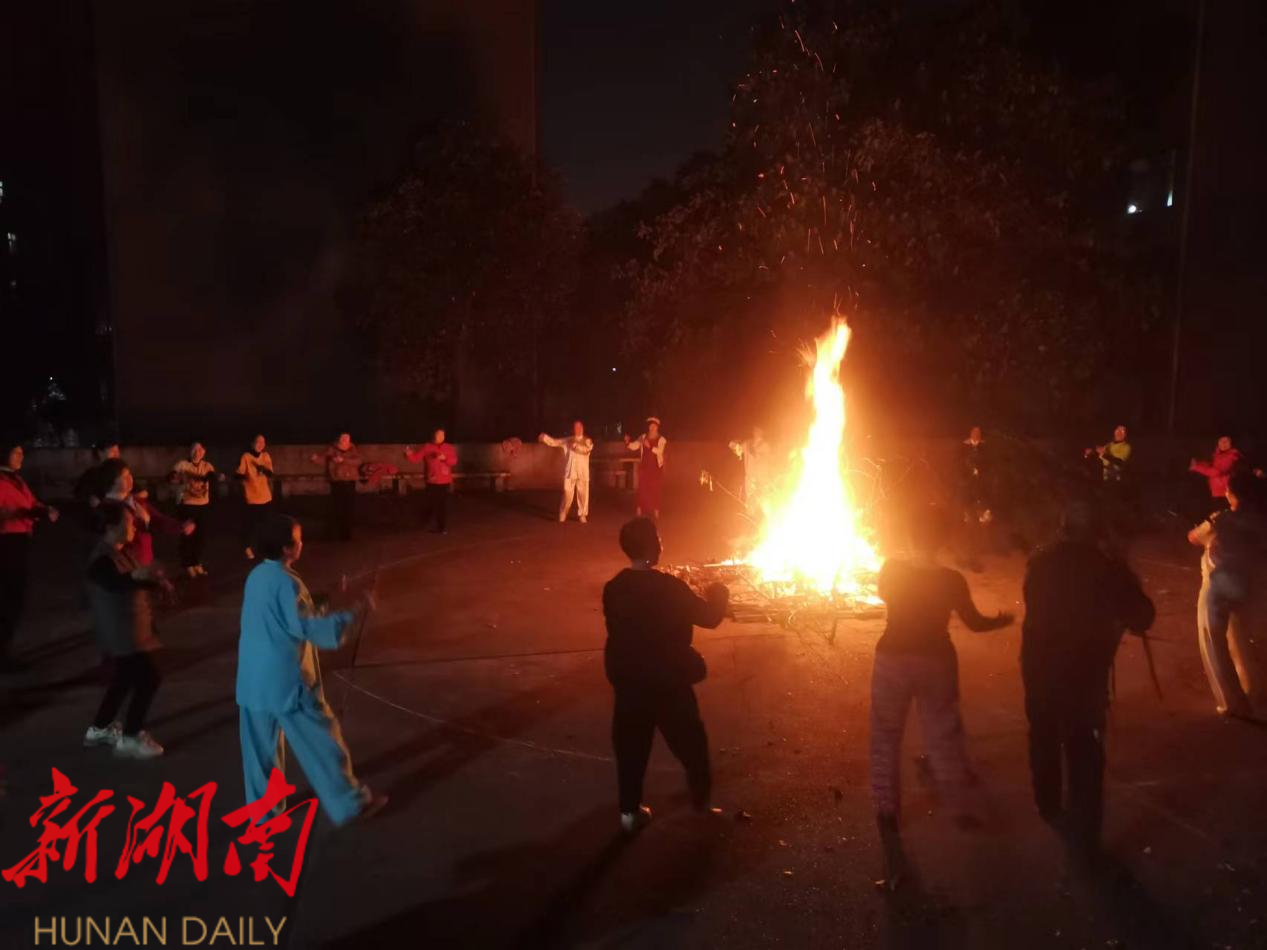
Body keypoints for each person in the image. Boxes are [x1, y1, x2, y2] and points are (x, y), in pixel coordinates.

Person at [869, 504, 1012, 889]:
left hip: (892, 659)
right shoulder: (950, 579)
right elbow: (974, 623)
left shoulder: (892, 569)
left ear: (910, 535)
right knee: (942, 733)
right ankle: (960, 806)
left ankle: (887, 812)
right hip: (936, 659)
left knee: (885, 739)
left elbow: (883, 594)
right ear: (942, 540)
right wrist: (1001, 620)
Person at [1022, 501, 1155, 864]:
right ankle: (1084, 836)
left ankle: (1048, 804)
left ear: (1063, 528)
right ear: (1098, 532)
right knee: (1084, 749)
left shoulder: (1040, 561)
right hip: (1083, 674)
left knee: (1043, 735)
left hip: (1038, 666)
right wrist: (1125, 570)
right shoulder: (1107, 568)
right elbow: (1143, 617)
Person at [236, 513, 386, 825]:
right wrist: (356, 611)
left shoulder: (258, 576)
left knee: (260, 751)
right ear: (287, 547)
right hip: (286, 681)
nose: (302, 543)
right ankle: (350, 804)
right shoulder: (287, 582)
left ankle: (263, 812)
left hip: (252, 679)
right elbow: (309, 627)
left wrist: (325, 597)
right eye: (298, 538)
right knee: (322, 742)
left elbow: (286, 613)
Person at [602, 517, 728, 834]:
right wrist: (719, 591)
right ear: (653, 547)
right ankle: (701, 806)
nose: (662, 544)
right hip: (668, 682)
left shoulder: (614, 588)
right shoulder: (670, 588)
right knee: (692, 745)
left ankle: (629, 814)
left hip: (630, 684)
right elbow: (710, 617)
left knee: (631, 751)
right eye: (658, 539)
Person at [84, 505, 172, 759]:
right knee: (150, 677)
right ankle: (131, 736)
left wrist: (155, 581)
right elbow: (115, 583)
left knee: (123, 679)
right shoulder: (101, 559)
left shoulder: (123, 552)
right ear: (112, 527)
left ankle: (99, 729)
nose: (133, 526)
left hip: (134, 628)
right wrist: (140, 575)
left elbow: (135, 579)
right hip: (123, 633)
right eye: (129, 522)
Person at [1187, 473, 1267, 719]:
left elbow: (1193, 537)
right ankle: (1258, 693)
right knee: (1247, 639)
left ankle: (1232, 701)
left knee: (1213, 641)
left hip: (1219, 585)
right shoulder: (1261, 520)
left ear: (1232, 494)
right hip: (1253, 585)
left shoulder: (1220, 519)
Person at [0, 442, 60, 671]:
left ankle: (5, 648)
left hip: (20, 541)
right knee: (8, 598)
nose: (21, 455)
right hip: (6, 543)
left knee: (15, 597)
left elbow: (30, 502)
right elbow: (9, 512)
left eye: (21, 451)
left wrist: (44, 510)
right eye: (16, 452)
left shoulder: (16, 479)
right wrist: (22, 513)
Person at [98, 459, 194, 567]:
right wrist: (143, 521)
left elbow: (157, 519)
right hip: (127, 564)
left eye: (130, 474)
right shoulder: (108, 509)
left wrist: (180, 526)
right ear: (111, 481)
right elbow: (119, 540)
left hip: (144, 558)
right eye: (124, 477)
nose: (130, 479)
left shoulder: (135, 500)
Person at [170, 442, 220, 577]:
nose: (197, 452)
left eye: (200, 449)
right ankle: (187, 564)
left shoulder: (207, 466)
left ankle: (197, 562)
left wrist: (215, 478)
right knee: (188, 536)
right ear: (190, 451)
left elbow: (212, 477)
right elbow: (171, 476)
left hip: (203, 505)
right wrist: (174, 478)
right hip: (186, 505)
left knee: (201, 537)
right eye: (194, 449)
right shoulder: (182, 465)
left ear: (204, 451)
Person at [539, 421, 594, 523]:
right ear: (573, 429)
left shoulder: (587, 440)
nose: (578, 429)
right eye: (576, 427)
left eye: (580, 427)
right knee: (567, 493)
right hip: (570, 471)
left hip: (583, 472)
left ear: (583, 428)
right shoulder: (568, 440)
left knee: (583, 495)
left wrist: (576, 446)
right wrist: (545, 438)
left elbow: (586, 450)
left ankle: (582, 514)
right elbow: (555, 442)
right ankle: (563, 512)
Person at [405, 429, 457, 534]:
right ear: (434, 435)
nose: (441, 437)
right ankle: (423, 523)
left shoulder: (449, 447)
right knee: (430, 503)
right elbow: (416, 458)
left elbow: (454, 461)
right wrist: (409, 454)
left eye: (443, 435)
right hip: (432, 480)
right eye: (439, 435)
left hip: (444, 481)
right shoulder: (427, 447)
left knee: (441, 505)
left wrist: (444, 458)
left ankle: (441, 528)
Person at [312, 433, 361, 541]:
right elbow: (323, 459)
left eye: (347, 438)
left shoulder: (353, 449)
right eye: (343, 437)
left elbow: (358, 461)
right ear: (339, 438)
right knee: (336, 507)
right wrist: (316, 459)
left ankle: (346, 534)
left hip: (349, 481)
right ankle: (333, 533)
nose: (345, 440)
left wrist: (343, 460)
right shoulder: (332, 449)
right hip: (337, 481)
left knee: (348, 508)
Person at [958, 426, 992, 571]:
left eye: (978, 433)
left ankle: (975, 555)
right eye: (974, 433)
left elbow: (988, 466)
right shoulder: (963, 448)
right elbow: (958, 466)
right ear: (971, 434)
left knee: (980, 525)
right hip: (968, 494)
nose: (976, 435)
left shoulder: (985, 448)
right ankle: (969, 558)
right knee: (970, 526)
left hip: (980, 494)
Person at [236, 434, 275, 559]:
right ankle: (247, 547)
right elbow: (239, 474)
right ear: (252, 443)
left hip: (265, 497)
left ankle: (263, 549)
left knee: (266, 525)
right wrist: (243, 477)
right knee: (250, 525)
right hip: (251, 498)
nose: (260, 444)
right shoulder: (246, 456)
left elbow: (270, 473)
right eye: (258, 441)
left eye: (263, 442)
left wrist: (264, 469)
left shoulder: (265, 456)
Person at [625, 418, 667, 519]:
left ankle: (656, 510)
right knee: (642, 488)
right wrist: (628, 443)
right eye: (651, 426)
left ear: (657, 427)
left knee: (655, 488)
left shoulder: (662, 439)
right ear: (648, 427)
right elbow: (635, 445)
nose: (652, 428)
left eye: (654, 426)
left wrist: (650, 446)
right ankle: (639, 509)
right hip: (644, 467)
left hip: (656, 467)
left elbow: (660, 451)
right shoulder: (643, 437)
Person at [1190, 436, 1244, 506]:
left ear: (1232, 442)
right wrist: (1197, 463)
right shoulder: (1218, 454)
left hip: (1226, 494)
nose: (1223, 443)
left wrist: (1196, 467)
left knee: (1223, 511)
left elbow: (1217, 472)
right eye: (1221, 440)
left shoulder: (1232, 456)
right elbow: (1211, 465)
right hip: (1217, 492)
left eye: (1227, 441)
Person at [728, 425, 773, 510]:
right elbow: (737, 449)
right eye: (755, 429)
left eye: (759, 430)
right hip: (750, 480)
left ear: (763, 432)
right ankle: (750, 515)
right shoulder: (747, 443)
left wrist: (756, 453)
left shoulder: (765, 446)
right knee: (751, 504)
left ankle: (765, 515)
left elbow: (767, 459)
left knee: (764, 503)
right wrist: (734, 445)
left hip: (762, 480)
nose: (756, 431)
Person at [74, 441, 121, 510]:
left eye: (118, 451)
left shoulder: (121, 472)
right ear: (100, 453)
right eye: (113, 451)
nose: (117, 455)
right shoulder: (91, 475)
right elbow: (80, 496)